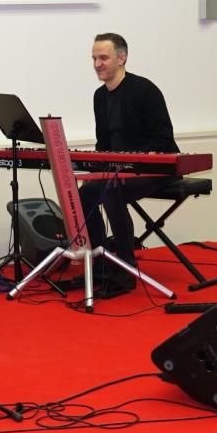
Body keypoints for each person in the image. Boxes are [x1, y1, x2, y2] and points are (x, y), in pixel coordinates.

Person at [77, 32, 179, 295]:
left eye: (103, 58)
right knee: (84, 193)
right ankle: (100, 264)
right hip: (121, 170)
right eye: (94, 58)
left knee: (112, 190)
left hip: (157, 169)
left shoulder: (144, 90)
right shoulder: (100, 96)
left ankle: (126, 270)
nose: (97, 64)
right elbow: (104, 144)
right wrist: (94, 166)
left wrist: (126, 160)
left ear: (121, 58)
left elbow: (163, 139)